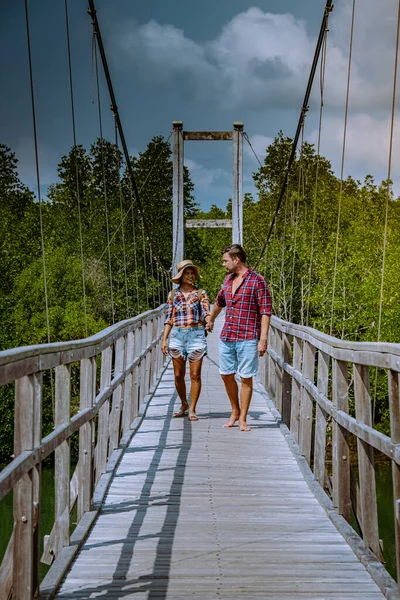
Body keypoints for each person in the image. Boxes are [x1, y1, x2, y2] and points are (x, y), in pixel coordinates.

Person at [206, 244, 271, 432]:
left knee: (246, 377)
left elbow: (265, 310)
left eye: (225, 261)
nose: (223, 264)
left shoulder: (257, 281)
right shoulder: (227, 280)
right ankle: (235, 409)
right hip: (227, 334)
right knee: (226, 374)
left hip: (248, 336)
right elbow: (219, 302)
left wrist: (263, 339)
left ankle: (242, 418)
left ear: (236, 260)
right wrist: (211, 319)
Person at [162, 259, 211, 421]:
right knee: (178, 375)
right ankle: (183, 403)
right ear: (181, 276)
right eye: (187, 273)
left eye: (192, 273)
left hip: (196, 335)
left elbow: (205, 312)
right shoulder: (173, 294)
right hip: (177, 335)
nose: (190, 276)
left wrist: (209, 320)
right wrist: (164, 340)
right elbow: (169, 319)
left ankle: (192, 409)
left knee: (195, 375)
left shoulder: (200, 293)